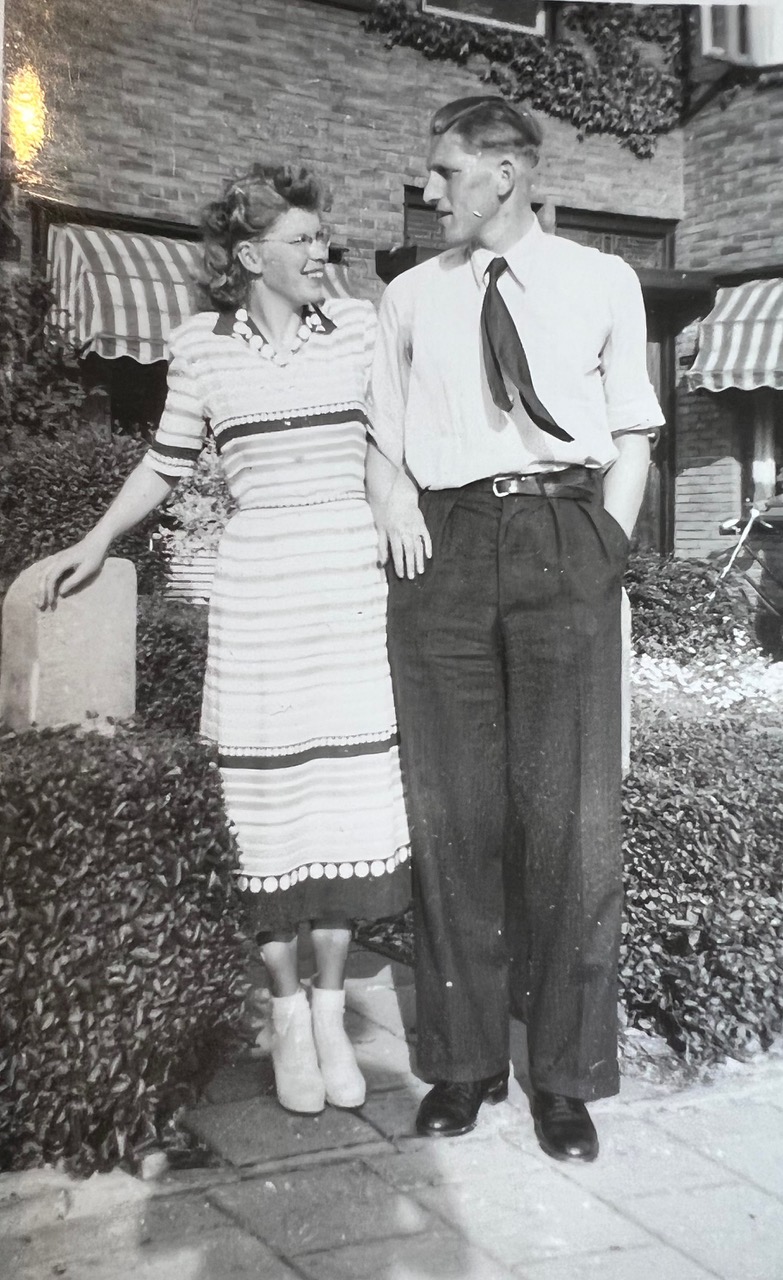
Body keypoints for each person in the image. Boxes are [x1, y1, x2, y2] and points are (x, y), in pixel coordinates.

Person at [38, 163, 411, 1116]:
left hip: (342, 591)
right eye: (302, 240)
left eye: (321, 239)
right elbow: (165, 462)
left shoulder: (361, 327)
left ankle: (331, 1009)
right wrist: (93, 539)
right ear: (249, 255)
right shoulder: (200, 346)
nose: (321, 252)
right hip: (257, 598)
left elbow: (384, 447)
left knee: (338, 812)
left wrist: (400, 510)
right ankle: (286, 1012)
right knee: (268, 813)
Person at [366, 98, 664, 1161]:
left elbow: (633, 433)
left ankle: (566, 1075)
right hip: (442, 550)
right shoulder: (406, 297)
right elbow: (383, 442)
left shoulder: (603, 281)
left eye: (445, 171)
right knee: (454, 813)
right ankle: (465, 1060)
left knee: (571, 817)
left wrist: (603, 549)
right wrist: (395, 501)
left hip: (560, 535)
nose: (430, 189)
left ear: (505, 172)